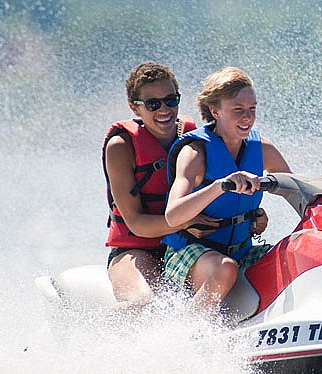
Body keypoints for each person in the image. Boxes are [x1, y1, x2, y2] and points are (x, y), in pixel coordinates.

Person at [162, 67, 291, 314]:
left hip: (242, 250)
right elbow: (173, 215)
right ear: (215, 111)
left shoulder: (262, 148)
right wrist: (220, 186)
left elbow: (298, 191)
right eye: (238, 110)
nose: (247, 118)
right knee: (226, 268)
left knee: (296, 254)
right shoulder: (195, 153)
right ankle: (188, 337)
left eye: (252, 109)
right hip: (190, 253)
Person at [102, 61, 219, 311]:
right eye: (153, 104)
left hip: (181, 247)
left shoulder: (192, 136)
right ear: (134, 107)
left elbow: (215, 190)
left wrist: (251, 216)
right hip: (134, 250)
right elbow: (135, 223)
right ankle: (91, 346)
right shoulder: (121, 147)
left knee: (226, 278)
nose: (164, 109)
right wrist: (185, 222)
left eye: (170, 100)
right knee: (144, 304)